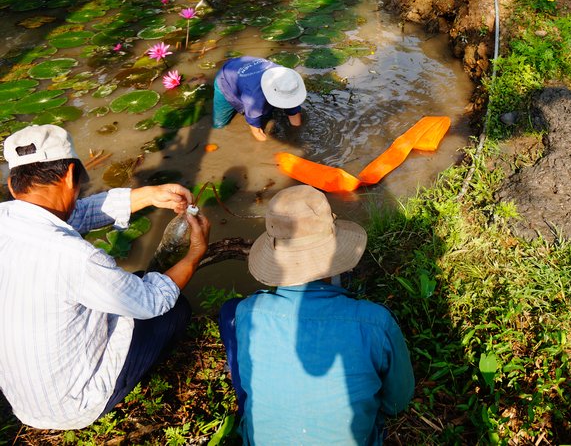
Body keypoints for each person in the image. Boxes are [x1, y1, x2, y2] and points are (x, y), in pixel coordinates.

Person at [0, 124, 211, 430]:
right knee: (173, 308)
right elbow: (152, 300)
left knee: (135, 283)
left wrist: (149, 195)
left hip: (22, 398)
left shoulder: (6, 218)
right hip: (71, 406)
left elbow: (75, 214)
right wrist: (195, 253)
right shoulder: (76, 257)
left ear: (12, 182)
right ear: (71, 176)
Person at [218, 185, 415, 445]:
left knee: (229, 311)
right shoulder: (375, 321)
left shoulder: (248, 312)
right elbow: (397, 402)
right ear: (334, 250)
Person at [213, 56, 306, 142]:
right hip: (226, 77)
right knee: (219, 124)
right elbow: (256, 131)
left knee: (267, 113)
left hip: (247, 66)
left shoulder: (287, 80)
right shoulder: (254, 99)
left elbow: (294, 114)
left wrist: (296, 133)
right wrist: (268, 148)